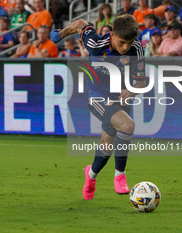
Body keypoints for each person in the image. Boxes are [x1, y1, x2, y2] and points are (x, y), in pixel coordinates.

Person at [49, 14, 146, 199]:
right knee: (127, 126)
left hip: (121, 98)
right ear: (113, 34)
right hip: (97, 96)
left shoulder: (136, 48)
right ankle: (120, 176)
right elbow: (79, 24)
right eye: (122, 42)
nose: (126, 47)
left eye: (130, 42)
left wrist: (131, 91)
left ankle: (90, 175)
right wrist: (58, 35)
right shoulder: (95, 43)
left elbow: (141, 82)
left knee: (106, 145)